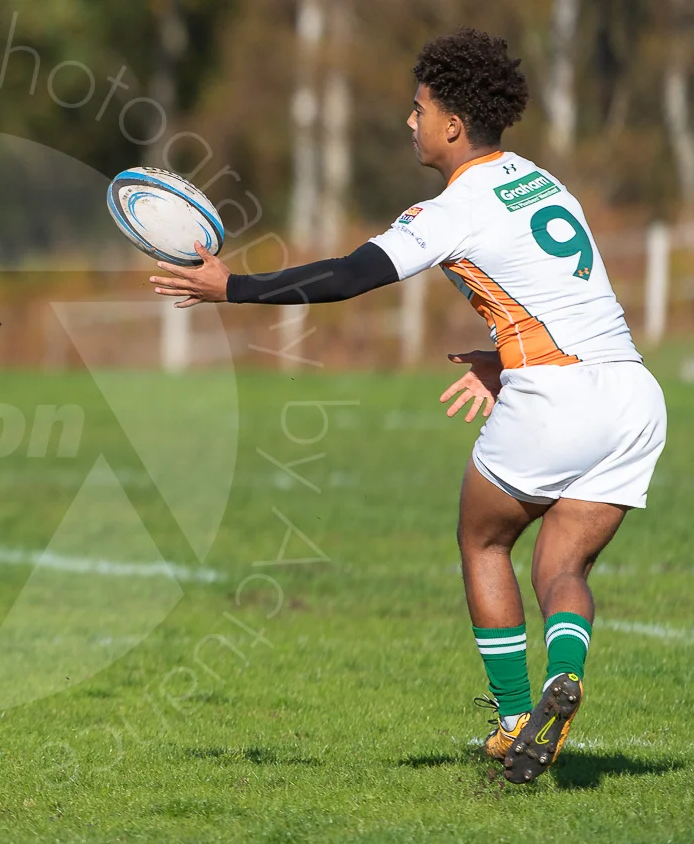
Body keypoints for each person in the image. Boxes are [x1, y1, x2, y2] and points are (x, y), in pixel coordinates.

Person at [147, 28, 665, 784]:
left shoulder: (451, 209)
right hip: (630, 395)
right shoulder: (540, 180)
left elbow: (350, 275)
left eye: (418, 109)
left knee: (483, 543)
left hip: (555, 399)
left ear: (453, 125)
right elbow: (571, 295)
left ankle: (517, 718)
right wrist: (501, 356)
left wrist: (234, 289)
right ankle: (566, 672)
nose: (409, 121)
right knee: (565, 567)